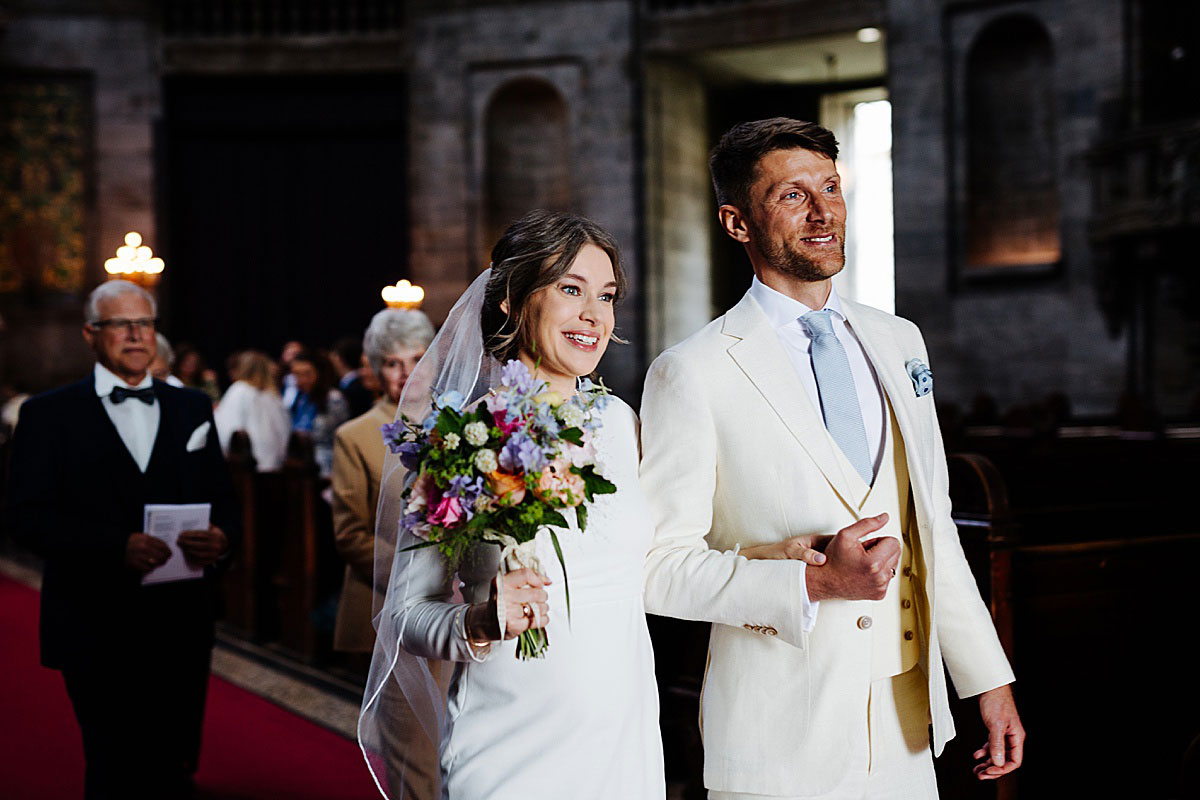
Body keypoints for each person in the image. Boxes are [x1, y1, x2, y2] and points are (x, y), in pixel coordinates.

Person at [640, 118, 1024, 800]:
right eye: (792, 195)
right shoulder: (692, 371)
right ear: (737, 223)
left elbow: (930, 525)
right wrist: (813, 583)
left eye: (832, 188)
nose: (824, 213)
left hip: (908, 732)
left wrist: (987, 682)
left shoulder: (899, 340)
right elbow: (658, 570)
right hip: (779, 740)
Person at [359, 210, 665, 799]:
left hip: (622, 741)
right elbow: (405, 615)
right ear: (512, 299)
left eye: (606, 296)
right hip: (507, 747)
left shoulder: (622, 424)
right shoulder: (458, 440)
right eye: (571, 290)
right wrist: (478, 621)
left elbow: (655, 563)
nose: (593, 315)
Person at [3, 279, 237, 799]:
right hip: (93, 620)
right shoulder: (46, 414)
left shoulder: (192, 409)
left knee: (173, 764)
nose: (136, 335)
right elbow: (24, 518)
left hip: (180, 618)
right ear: (91, 334)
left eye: (146, 323)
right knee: (114, 764)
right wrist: (115, 546)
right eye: (121, 324)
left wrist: (221, 540)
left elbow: (225, 501)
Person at [331, 309, 436, 796]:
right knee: (412, 754)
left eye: (417, 359)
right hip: (390, 610)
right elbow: (350, 534)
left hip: (459, 610)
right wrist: (422, 577)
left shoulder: (461, 422)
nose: (407, 373)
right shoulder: (354, 435)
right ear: (375, 369)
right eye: (393, 363)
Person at [213, 350, 291, 471]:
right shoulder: (274, 395)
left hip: (247, 466)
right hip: (274, 465)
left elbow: (226, 429)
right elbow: (285, 430)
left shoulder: (239, 390)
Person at [288, 348, 348, 477]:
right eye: (296, 375)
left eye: (307, 374)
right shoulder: (300, 398)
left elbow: (338, 438)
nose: (301, 379)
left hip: (327, 471)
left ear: (320, 373)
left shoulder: (333, 399)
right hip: (303, 469)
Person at [330, 336, 376, 419]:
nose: (363, 373)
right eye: (362, 366)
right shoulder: (350, 386)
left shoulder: (356, 389)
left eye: (370, 367)